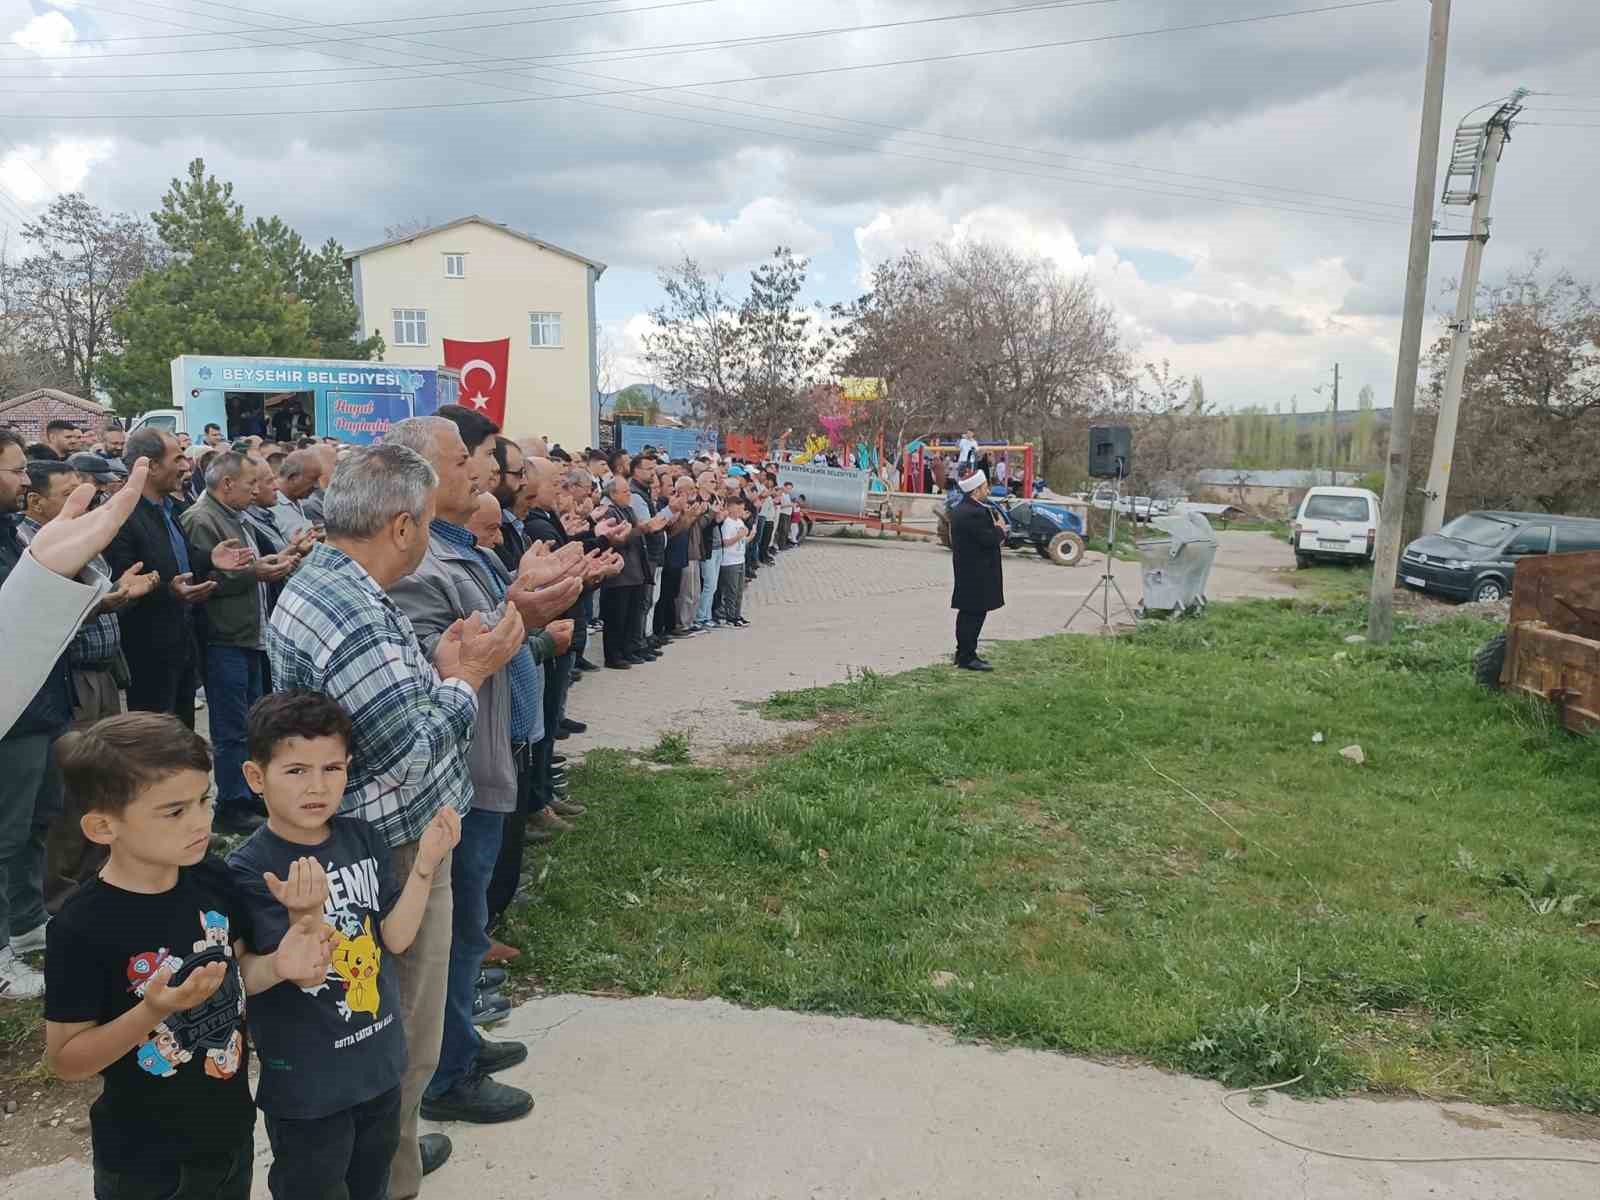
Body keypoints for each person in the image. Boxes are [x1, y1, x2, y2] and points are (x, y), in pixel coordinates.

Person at [266, 442, 525, 1194]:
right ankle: (388, 1170)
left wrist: (433, 665)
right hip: (395, 845)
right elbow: (403, 750)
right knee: (401, 1035)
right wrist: (465, 678)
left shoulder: (332, 582)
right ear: (405, 527)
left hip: (373, 838)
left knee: (392, 1030)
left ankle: (396, 1148)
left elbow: (375, 710)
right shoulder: (354, 613)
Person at [43, 712, 333, 1199]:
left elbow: (235, 973)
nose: (201, 821)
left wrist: (280, 964)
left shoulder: (211, 877)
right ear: (102, 826)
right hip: (146, 1167)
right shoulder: (81, 927)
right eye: (175, 811)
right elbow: (67, 1059)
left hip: (230, 1136)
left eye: (203, 800)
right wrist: (152, 1010)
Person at [384, 416, 572, 1131]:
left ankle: (459, 1043)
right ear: (418, 479)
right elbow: (441, 658)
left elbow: (492, 630)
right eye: (464, 460)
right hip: (453, 766)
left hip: (487, 753)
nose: (481, 471)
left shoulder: (454, 548)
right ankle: (445, 1074)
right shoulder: (417, 565)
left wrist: (527, 607)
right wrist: (516, 611)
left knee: (467, 927)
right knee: (452, 928)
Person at [228, 692, 460, 1200]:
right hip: (309, 1086)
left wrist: (425, 866)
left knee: (370, 1184)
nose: (317, 786)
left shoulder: (362, 837)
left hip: (378, 1065)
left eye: (332, 768)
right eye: (295, 771)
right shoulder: (248, 869)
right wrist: (293, 941)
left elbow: (395, 938)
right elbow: (249, 975)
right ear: (255, 776)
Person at [180, 451, 296, 835]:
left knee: (252, 722)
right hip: (224, 639)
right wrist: (255, 574)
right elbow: (206, 580)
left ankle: (249, 794)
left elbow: (244, 567)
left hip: (248, 635)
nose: (257, 490)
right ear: (227, 484)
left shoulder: (235, 516)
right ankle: (232, 802)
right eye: (250, 484)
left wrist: (279, 560)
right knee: (231, 728)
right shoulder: (202, 519)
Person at [107, 430, 217, 730]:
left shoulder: (170, 509)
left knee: (182, 737)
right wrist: (170, 592)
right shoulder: (122, 516)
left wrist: (214, 558)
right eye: (178, 457)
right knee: (155, 745)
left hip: (182, 644)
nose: (186, 466)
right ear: (151, 466)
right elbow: (123, 586)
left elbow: (184, 556)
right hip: (149, 653)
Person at [947, 470, 1006, 671]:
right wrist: (1000, 529)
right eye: (984, 487)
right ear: (975, 490)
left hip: (968, 569)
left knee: (967, 613)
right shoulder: (974, 513)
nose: (987, 490)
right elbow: (989, 540)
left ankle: (963, 652)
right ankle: (967, 656)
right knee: (974, 614)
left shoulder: (962, 509)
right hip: (977, 571)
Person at [714, 495, 752, 628]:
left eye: (742, 508)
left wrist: (749, 537)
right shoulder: (727, 523)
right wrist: (739, 536)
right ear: (730, 508)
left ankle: (737, 614)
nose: (741, 510)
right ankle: (730, 617)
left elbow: (742, 540)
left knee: (739, 591)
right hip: (729, 561)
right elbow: (724, 542)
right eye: (739, 508)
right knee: (731, 590)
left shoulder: (739, 522)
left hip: (740, 558)